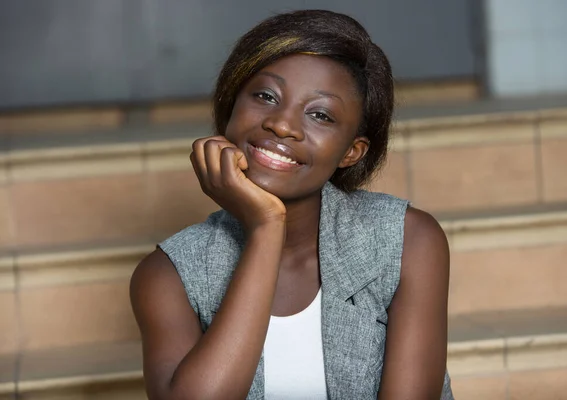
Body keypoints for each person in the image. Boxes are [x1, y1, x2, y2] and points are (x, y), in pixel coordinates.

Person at [130, 9, 454, 400]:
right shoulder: (171, 274)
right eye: (266, 96)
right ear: (231, 107)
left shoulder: (406, 241)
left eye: (320, 114)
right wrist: (266, 226)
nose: (282, 125)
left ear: (351, 152)